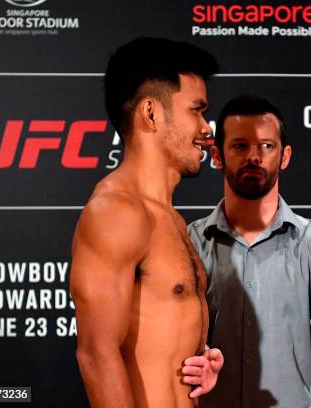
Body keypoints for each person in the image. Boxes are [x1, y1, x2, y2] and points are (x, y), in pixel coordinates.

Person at [187, 94, 311, 407]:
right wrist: (194, 353)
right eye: (239, 146)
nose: (254, 157)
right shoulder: (188, 245)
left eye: (266, 146)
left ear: (285, 156)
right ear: (218, 156)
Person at [70, 37, 223, 408]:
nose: (207, 129)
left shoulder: (167, 216)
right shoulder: (119, 211)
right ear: (151, 114)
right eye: (196, 111)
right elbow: (96, 353)